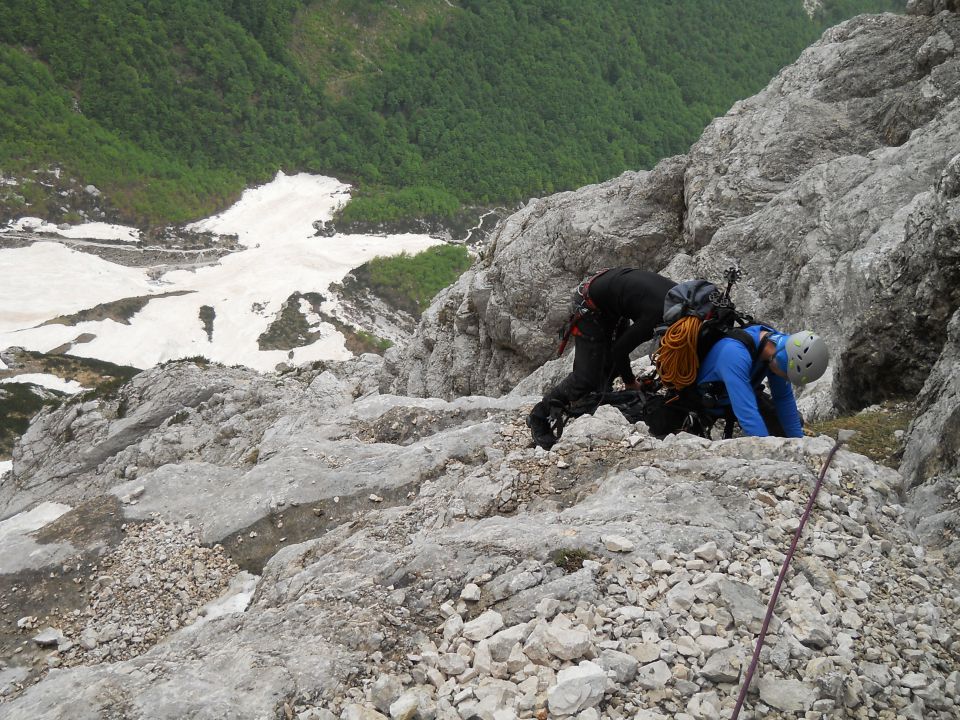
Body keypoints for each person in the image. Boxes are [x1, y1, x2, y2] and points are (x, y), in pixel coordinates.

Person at [527, 268, 677, 449]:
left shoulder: (680, 302)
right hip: (590, 304)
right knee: (585, 378)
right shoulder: (655, 317)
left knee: (612, 366)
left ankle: (599, 397)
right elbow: (620, 350)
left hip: (612, 300)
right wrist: (630, 383)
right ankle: (538, 417)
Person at [695, 326, 829, 437]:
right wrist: (767, 455)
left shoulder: (776, 349)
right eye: (787, 375)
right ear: (782, 361)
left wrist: (798, 444)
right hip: (701, 403)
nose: (786, 379)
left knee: (788, 425)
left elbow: (783, 398)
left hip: (734, 397)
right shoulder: (735, 354)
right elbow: (748, 415)